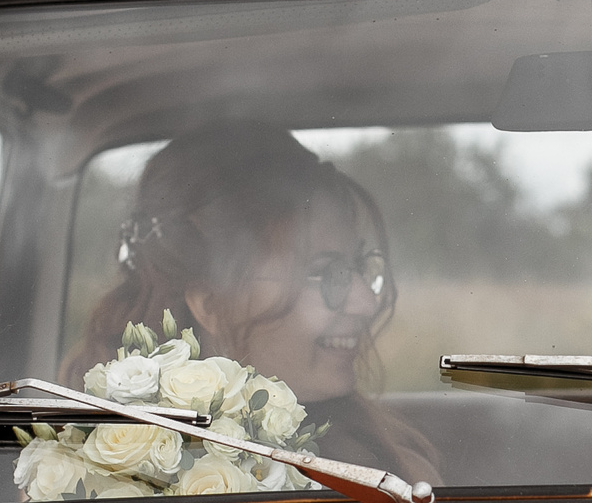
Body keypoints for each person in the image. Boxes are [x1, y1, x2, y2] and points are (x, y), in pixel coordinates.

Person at [70, 124, 435, 479]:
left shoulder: (398, 474)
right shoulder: (83, 479)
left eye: (357, 266)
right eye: (326, 273)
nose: (366, 302)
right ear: (211, 303)